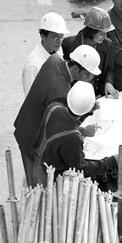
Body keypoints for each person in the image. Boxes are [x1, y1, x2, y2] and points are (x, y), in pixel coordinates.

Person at [14, 44, 102, 187]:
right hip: (33, 137)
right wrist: (85, 128)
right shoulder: (60, 95)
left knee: (33, 175)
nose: (89, 78)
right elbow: (63, 128)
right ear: (75, 68)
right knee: (37, 186)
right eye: (87, 74)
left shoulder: (55, 58)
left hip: (27, 122)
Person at [31, 81, 118, 184]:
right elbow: (82, 169)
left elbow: (62, 126)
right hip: (52, 179)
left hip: (39, 162)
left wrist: (84, 130)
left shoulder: (54, 108)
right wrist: (110, 161)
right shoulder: (73, 138)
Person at [62, 7, 119, 98]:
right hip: (74, 95)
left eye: (105, 33)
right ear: (91, 31)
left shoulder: (107, 45)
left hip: (97, 93)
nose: (104, 36)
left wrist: (108, 83)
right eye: (101, 33)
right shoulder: (68, 44)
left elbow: (109, 68)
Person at [22, 12, 69, 97]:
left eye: (61, 37)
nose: (59, 41)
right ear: (43, 36)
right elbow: (31, 99)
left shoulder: (58, 51)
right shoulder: (34, 65)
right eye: (54, 37)